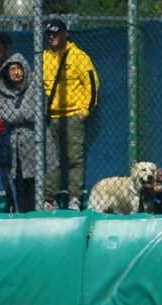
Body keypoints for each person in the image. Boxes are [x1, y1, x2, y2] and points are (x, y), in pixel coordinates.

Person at [43, 18, 99, 211]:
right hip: (52, 118)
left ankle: (74, 199)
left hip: (73, 116)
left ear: (65, 33)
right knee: (51, 160)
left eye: (56, 33)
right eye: (49, 33)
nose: (52, 36)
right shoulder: (44, 58)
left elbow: (92, 85)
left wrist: (83, 112)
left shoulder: (79, 56)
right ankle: (50, 199)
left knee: (75, 160)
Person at [0, 54, 59, 212]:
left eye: (19, 68)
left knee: (38, 188)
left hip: (34, 148)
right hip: (15, 151)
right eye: (12, 69)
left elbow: (32, 113)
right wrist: (18, 113)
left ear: (25, 69)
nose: (16, 72)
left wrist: (13, 113)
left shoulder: (35, 87)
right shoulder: (4, 90)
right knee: (21, 191)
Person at [0, 33, 16, 212]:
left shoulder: (10, 72)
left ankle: (16, 208)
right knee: (4, 169)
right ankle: (10, 203)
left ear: (6, 52)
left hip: (10, 130)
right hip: (1, 132)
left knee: (11, 171)